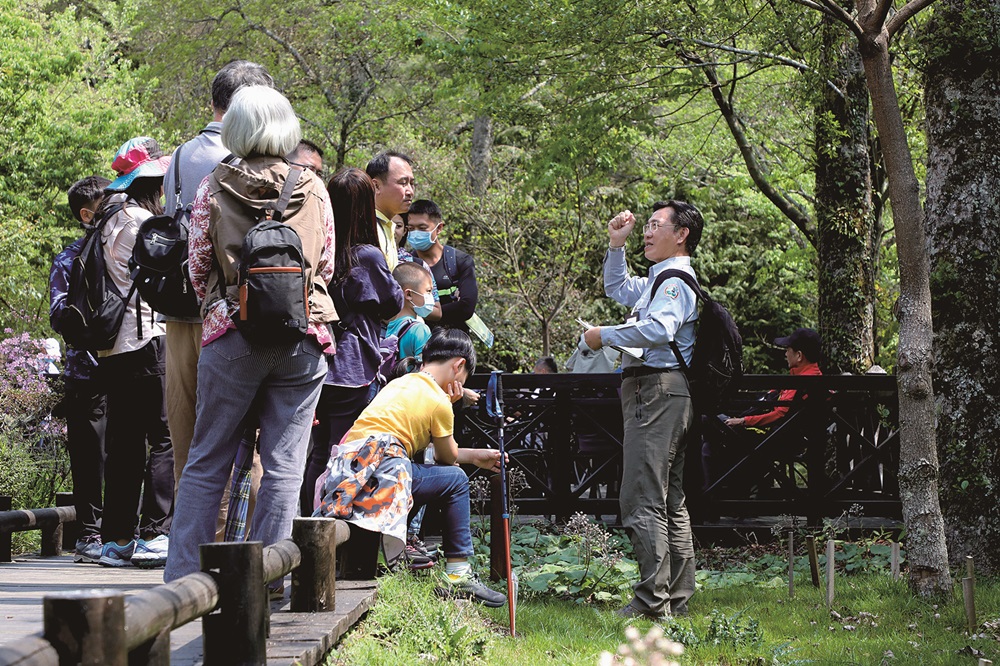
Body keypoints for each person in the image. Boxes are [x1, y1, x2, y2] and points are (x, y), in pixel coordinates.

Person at [164, 85, 337, 582]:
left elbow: (197, 266)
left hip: (232, 334)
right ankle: (270, 580)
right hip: (304, 337)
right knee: (285, 465)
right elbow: (324, 263)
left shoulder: (213, 186)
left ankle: (181, 581)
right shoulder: (314, 187)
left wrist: (222, 303)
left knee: (206, 460)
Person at [161, 60, 273, 536]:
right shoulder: (254, 159)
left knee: (189, 432)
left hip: (181, 311)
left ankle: (191, 542)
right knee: (253, 432)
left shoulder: (180, 155)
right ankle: (238, 545)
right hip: (237, 312)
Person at [317, 329, 506, 606]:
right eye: (463, 380)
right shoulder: (440, 401)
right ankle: (459, 575)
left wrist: (475, 456)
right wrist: (455, 416)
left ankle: (400, 552)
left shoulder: (400, 383)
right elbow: (446, 460)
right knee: (456, 480)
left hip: (348, 471)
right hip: (382, 472)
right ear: (459, 366)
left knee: (419, 471)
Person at [582, 200, 704, 618]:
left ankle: (653, 602)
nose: (647, 233)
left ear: (681, 233)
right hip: (665, 393)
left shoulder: (674, 281)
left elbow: (658, 329)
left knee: (642, 497)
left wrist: (605, 335)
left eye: (655, 225)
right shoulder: (660, 279)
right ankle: (676, 598)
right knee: (670, 500)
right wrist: (617, 245)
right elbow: (617, 288)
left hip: (655, 393)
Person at [299, 167, 404, 516]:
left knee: (318, 452)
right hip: (353, 365)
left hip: (318, 360)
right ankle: (333, 530)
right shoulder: (367, 256)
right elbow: (393, 303)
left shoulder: (317, 254)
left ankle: (309, 523)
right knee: (345, 450)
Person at [97, 138, 175, 568]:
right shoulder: (141, 222)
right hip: (147, 339)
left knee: (124, 443)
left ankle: (115, 540)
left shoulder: (106, 220)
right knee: (163, 437)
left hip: (112, 347)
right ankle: (154, 534)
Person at [48, 175, 111, 563]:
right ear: (88, 214)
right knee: (89, 459)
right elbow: (58, 315)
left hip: (128, 368)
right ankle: (89, 534)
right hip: (85, 373)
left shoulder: (127, 251)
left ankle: (125, 531)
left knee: (126, 455)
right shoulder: (69, 259)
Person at [724, 328, 823, 428]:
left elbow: (779, 415)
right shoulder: (815, 378)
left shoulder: (800, 384)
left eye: (788, 350)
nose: (786, 354)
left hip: (773, 438)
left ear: (799, 355)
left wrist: (743, 421)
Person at [405, 199, 479, 333]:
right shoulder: (406, 264)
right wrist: (452, 307)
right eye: (410, 228)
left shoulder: (460, 261)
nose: (415, 233)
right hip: (418, 342)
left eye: (422, 228)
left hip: (454, 342)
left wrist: (420, 311)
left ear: (438, 228)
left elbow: (466, 307)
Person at [366, 151, 415, 272]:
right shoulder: (367, 229)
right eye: (403, 183)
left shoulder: (387, 226)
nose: (410, 192)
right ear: (376, 186)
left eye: (412, 183)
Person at [386, 261, 434, 361]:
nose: (431, 297)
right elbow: (424, 369)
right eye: (428, 291)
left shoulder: (388, 327)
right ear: (408, 294)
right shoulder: (420, 330)